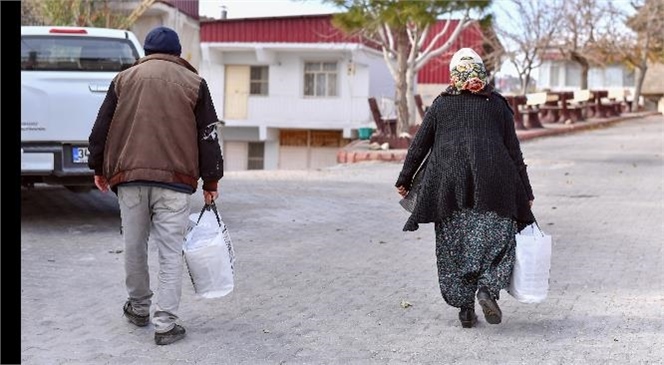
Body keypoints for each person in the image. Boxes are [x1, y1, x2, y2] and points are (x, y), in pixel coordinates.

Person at [88, 26, 224, 345]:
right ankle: (165, 324)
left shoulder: (123, 79)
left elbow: (101, 128)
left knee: (134, 246)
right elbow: (208, 135)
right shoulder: (195, 83)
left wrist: (98, 168)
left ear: (145, 52)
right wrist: (212, 179)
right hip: (176, 182)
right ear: (177, 53)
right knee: (170, 252)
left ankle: (138, 308)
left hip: (130, 180)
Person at [395, 48, 535, 328]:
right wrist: (526, 191)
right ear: (482, 72)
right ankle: (487, 288)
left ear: (454, 74)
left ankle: (465, 309)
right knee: (498, 243)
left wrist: (405, 178)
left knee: (454, 248)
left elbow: (420, 144)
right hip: (497, 186)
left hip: (448, 188)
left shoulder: (442, 104)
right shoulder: (498, 104)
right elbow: (514, 152)